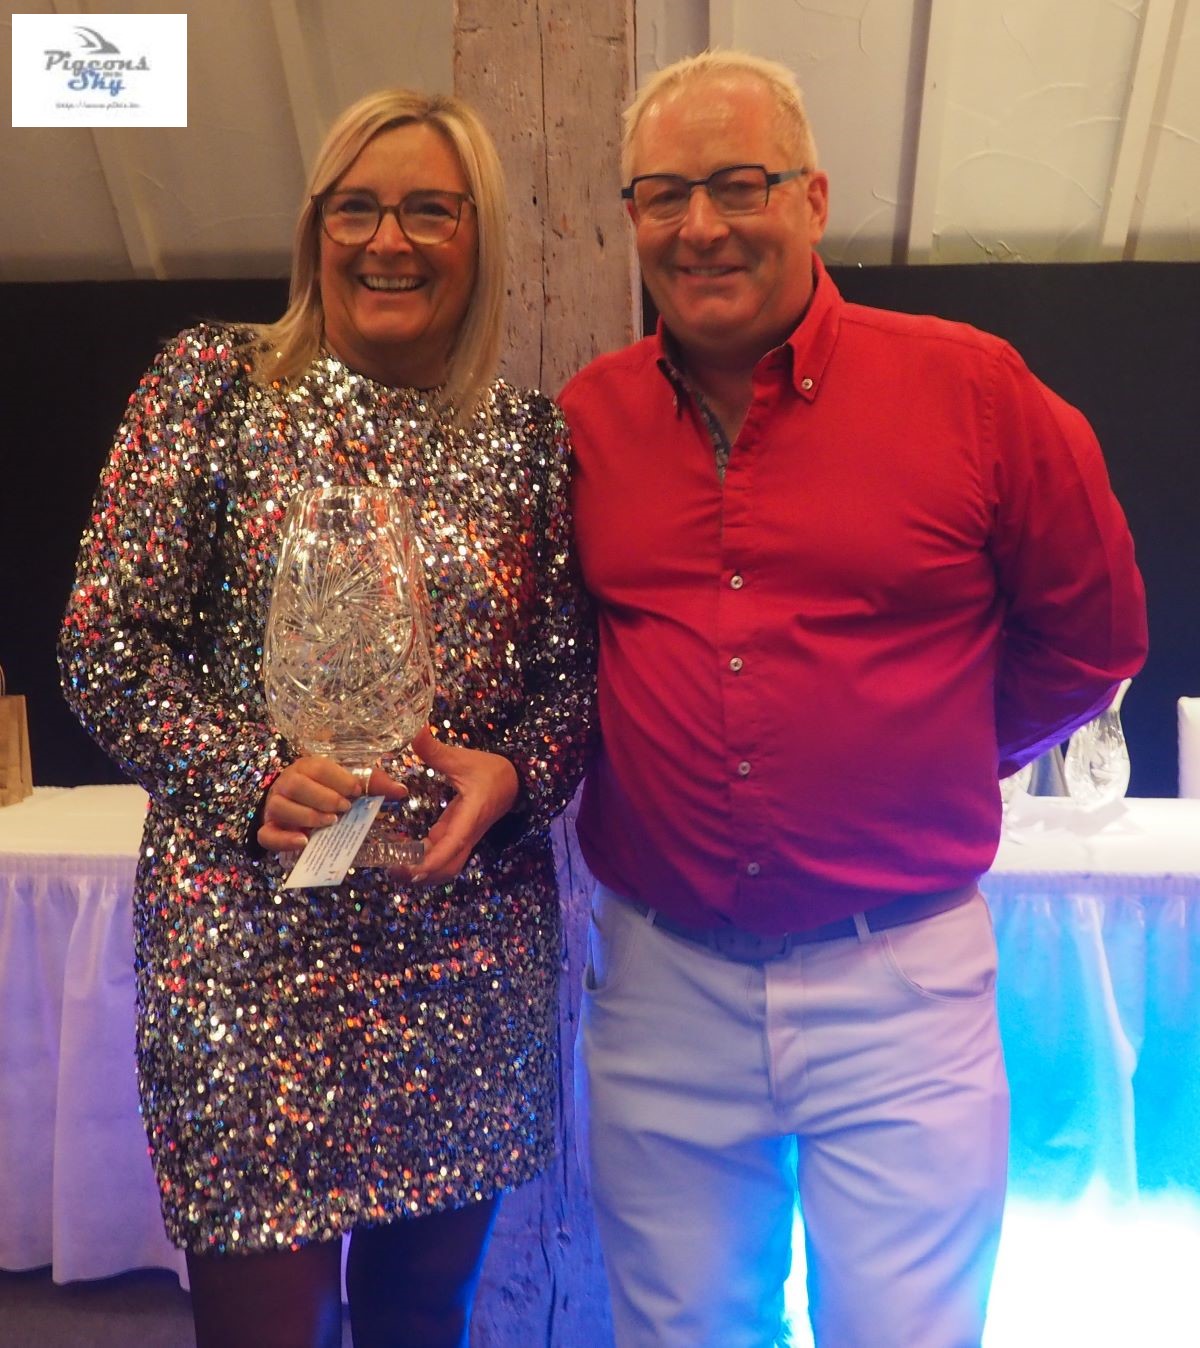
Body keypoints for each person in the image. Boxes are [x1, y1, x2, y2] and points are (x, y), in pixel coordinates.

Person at [558, 50, 1148, 1348]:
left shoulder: (974, 392)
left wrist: (931, 748)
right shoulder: (589, 422)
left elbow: (1094, 634)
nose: (700, 226)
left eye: (739, 184)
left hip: (901, 987)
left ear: (814, 199)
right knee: (678, 1333)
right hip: (662, 983)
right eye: (663, 195)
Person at [60, 87, 594, 1348]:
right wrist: (248, 776)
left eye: (427, 211)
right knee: (266, 1326)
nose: (386, 241)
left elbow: (570, 688)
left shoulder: (528, 441)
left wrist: (515, 778)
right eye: (355, 208)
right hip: (250, 951)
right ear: (315, 229)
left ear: (478, 235)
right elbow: (104, 641)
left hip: (463, 947)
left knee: (423, 1315)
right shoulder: (214, 384)